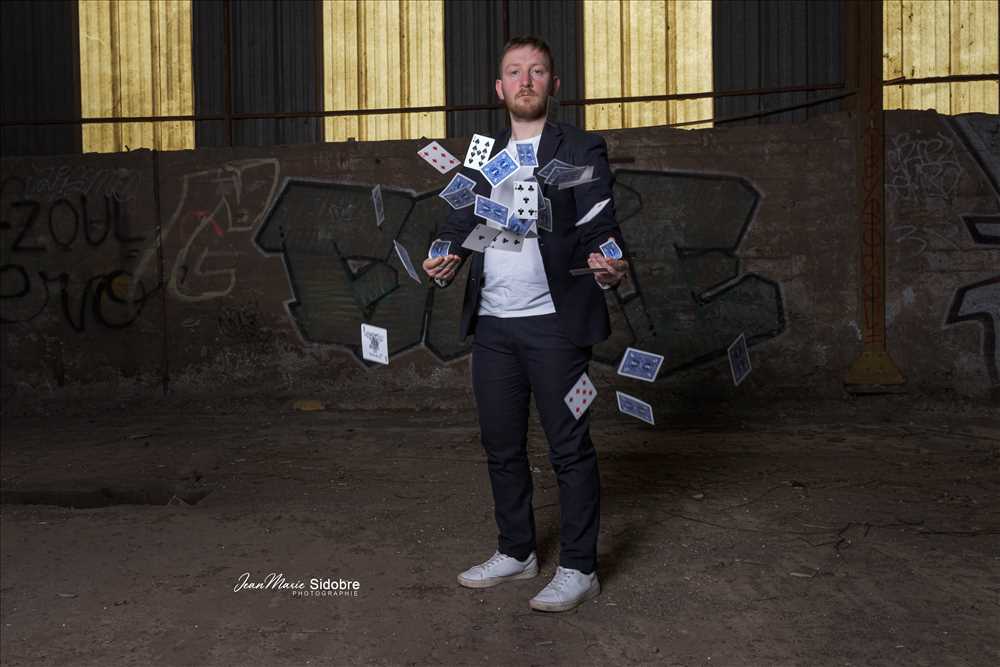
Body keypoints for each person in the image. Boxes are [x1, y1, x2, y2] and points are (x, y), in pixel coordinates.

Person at [421, 35, 629, 613]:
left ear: (553, 84)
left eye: (537, 71)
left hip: (556, 326)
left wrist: (610, 260)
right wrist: (443, 254)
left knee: (569, 447)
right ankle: (517, 551)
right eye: (515, 72)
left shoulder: (581, 147)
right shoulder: (483, 154)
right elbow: (458, 221)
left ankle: (580, 567)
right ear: (500, 87)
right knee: (501, 445)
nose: (526, 80)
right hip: (493, 326)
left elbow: (600, 222)